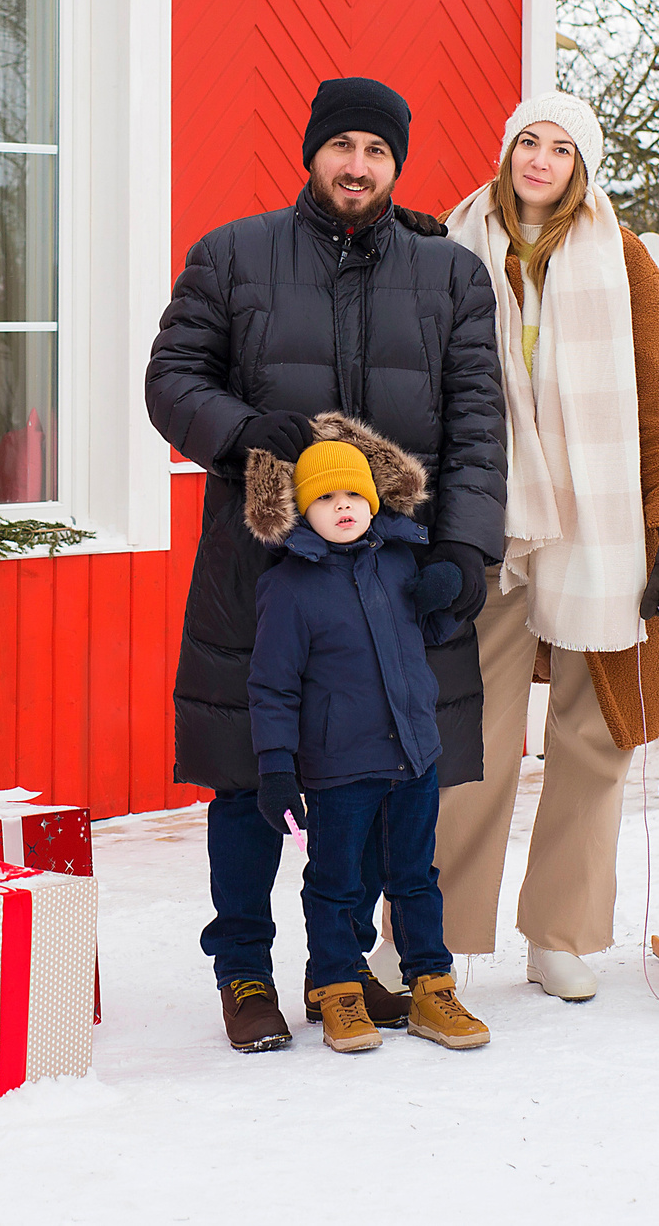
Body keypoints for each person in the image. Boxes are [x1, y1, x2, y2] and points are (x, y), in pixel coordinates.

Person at [145, 74, 506, 1054]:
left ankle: (342, 971)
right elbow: (171, 379)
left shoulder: (451, 278)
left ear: (397, 163)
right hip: (260, 570)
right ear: (313, 153)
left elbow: (478, 428)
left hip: (396, 586)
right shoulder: (232, 256)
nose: (357, 165)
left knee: (387, 783)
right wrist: (238, 429)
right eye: (342, 146)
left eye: (377, 151)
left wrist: (465, 550)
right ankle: (246, 971)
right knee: (248, 774)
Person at [431, 91, 659, 1003]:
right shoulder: (450, 246)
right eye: (527, 142)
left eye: (560, 148)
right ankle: (434, 933)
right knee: (471, 733)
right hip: (490, 522)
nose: (540, 160)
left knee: (593, 733)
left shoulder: (621, 258)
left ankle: (560, 933)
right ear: (506, 151)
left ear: (582, 167)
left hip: (599, 521)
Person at [243, 423, 490, 1053]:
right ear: (302, 509)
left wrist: (447, 596)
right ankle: (337, 990)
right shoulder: (288, 588)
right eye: (325, 498)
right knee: (336, 883)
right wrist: (276, 768)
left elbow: (425, 639)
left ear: (373, 500)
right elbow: (272, 687)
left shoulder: (402, 560)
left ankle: (431, 988)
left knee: (415, 878)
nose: (343, 507)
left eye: (352, 495)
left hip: (413, 757)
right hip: (338, 768)